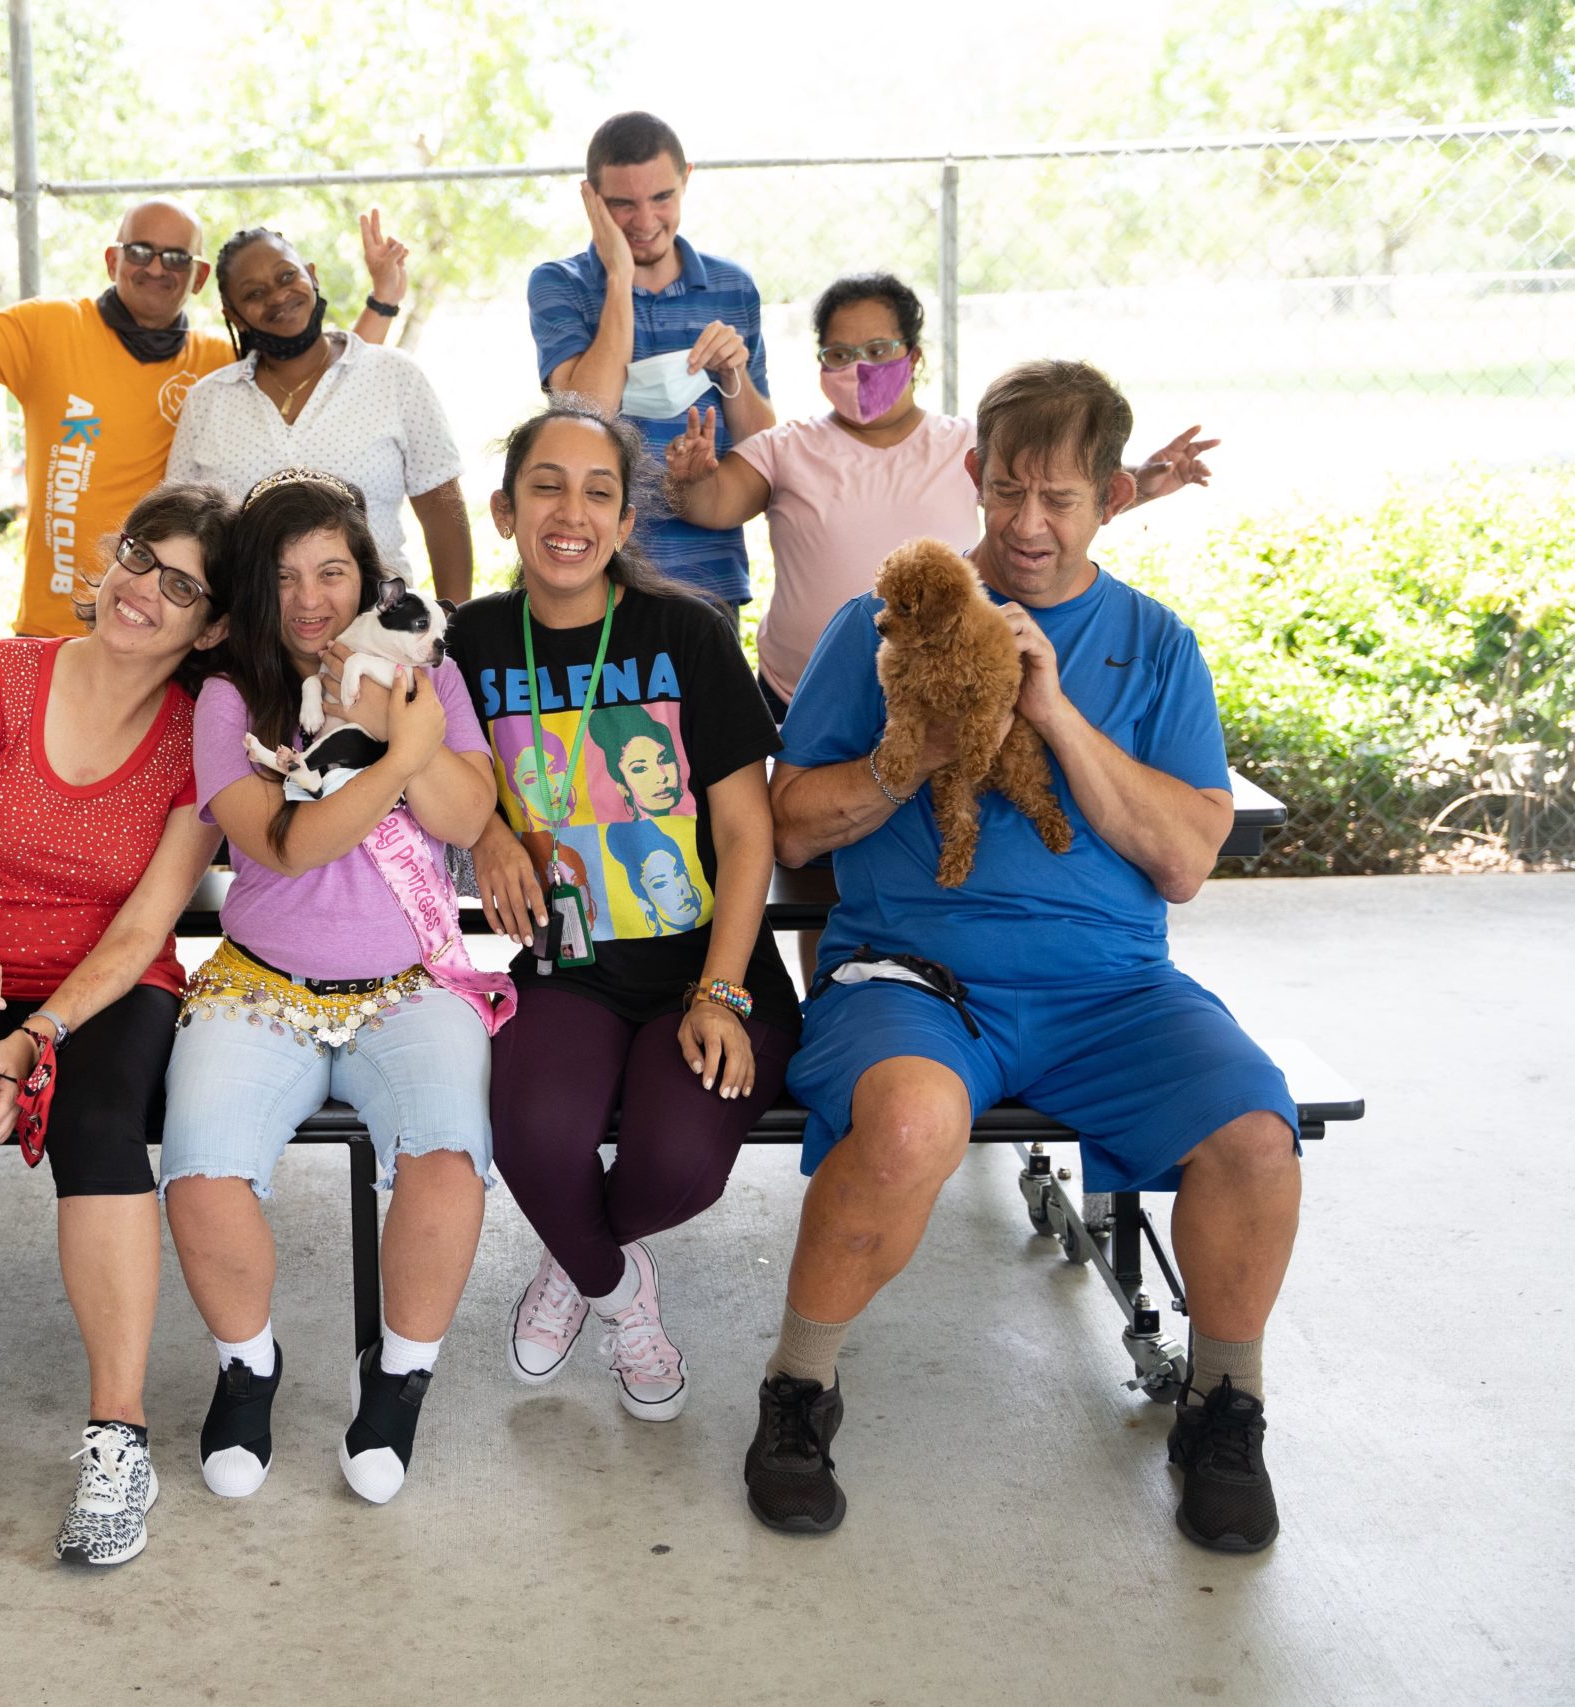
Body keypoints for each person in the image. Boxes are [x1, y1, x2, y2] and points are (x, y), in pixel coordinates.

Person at [749, 360, 1301, 1553]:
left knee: (1255, 1136)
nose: (1028, 526)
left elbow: (1185, 859)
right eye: (1006, 492)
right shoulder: (880, 624)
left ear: (1109, 494)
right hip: (913, 976)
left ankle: (1222, 1406)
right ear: (974, 478)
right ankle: (798, 1391)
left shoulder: (1156, 646)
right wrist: (912, 754)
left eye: (1058, 499)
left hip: (1110, 989)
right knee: (904, 1127)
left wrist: (1051, 714)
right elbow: (789, 825)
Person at [0, 483, 232, 1579]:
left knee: (100, 1124)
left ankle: (118, 1438)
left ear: (210, 624)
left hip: (109, 986)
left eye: (179, 584)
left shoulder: (202, 739)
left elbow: (148, 926)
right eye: (135, 558)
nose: (140, 590)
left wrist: (35, 1038)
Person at [455, 399, 801, 1423]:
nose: (571, 512)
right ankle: (617, 1286)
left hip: (707, 961)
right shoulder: (469, 643)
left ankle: (578, 1259)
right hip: (569, 966)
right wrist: (483, 833)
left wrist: (723, 993)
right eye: (545, 487)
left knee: (680, 1165)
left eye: (597, 491)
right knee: (531, 1133)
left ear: (624, 517)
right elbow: (436, 778)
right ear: (504, 510)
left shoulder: (683, 633)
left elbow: (749, 836)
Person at [161, 470, 501, 1507]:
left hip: (412, 985)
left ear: (368, 577)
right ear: (253, 595)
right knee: (201, 1176)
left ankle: (398, 1379)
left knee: (446, 1163)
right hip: (261, 986)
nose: (311, 600)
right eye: (284, 579)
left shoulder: (427, 675)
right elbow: (285, 843)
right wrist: (394, 759)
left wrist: (406, 737)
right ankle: (247, 1363)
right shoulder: (230, 697)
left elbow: (467, 813)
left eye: (332, 572)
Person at [663, 271, 1219, 717]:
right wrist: (688, 483)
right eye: (839, 354)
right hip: (800, 696)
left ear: (915, 357)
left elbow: (1060, 488)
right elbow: (716, 504)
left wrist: (1144, 480)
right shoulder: (786, 447)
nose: (859, 369)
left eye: (879, 350)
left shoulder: (967, 443)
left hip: (943, 688)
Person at [0, 160, 407, 637]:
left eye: (177, 258)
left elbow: (326, 372)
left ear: (200, 277)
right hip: (54, 627)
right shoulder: (46, 328)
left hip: (163, 630)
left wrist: (381, 301)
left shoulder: (218, 368)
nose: (157, 268)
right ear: (113, 259)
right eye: (141, 252)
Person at [527, 112, 776, 623]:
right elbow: (585, 409)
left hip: (708, 576)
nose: (644, 222)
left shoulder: (733, 287)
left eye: (662, 198)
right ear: (592, 199)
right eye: (622, 204)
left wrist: (734, 378)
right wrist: (619, 277)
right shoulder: (561, 284)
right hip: (600, 575)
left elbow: (765, 450)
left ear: (687, 178)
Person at [165, 229, 473, 605]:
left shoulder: (394, 375)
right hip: (247, 639)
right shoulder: (208, 401)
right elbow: (182, 532)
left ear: (312, 275)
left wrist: (455, 623)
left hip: (378, 633)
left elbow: (444, 515)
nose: (278, 296)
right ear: (235, 316)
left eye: (286, 276)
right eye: (254, 294)